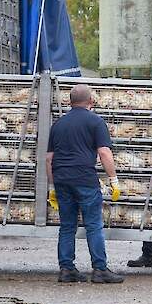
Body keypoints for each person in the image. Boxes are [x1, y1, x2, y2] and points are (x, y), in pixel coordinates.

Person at [46, 84, 124, 284]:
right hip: (85, 179)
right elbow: (104, 153)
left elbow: (49, 159)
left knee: (67, 226)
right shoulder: (96, 122)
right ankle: (99, 270)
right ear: (91, 101)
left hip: (62, 179)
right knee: (93, 225)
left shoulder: (58, 124)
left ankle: (66, 269)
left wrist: (52, 187)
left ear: (69, 102)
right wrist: (114, 180)